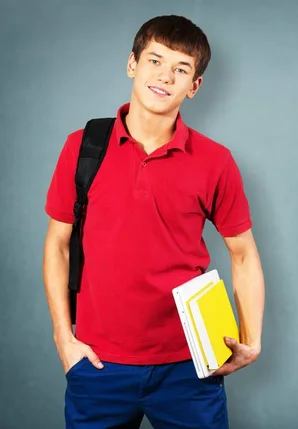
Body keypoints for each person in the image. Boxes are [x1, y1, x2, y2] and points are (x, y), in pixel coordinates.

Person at [42, 15, 265, 429]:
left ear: (194, 86)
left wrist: (251, 339)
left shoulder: (215, 161)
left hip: (190, 365)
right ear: (133, 64)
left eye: (181, 69)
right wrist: (63, 337)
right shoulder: (82, 147)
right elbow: (57, 243)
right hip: (97, 363)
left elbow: (244, 253)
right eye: (155, 61)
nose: (165, 76)